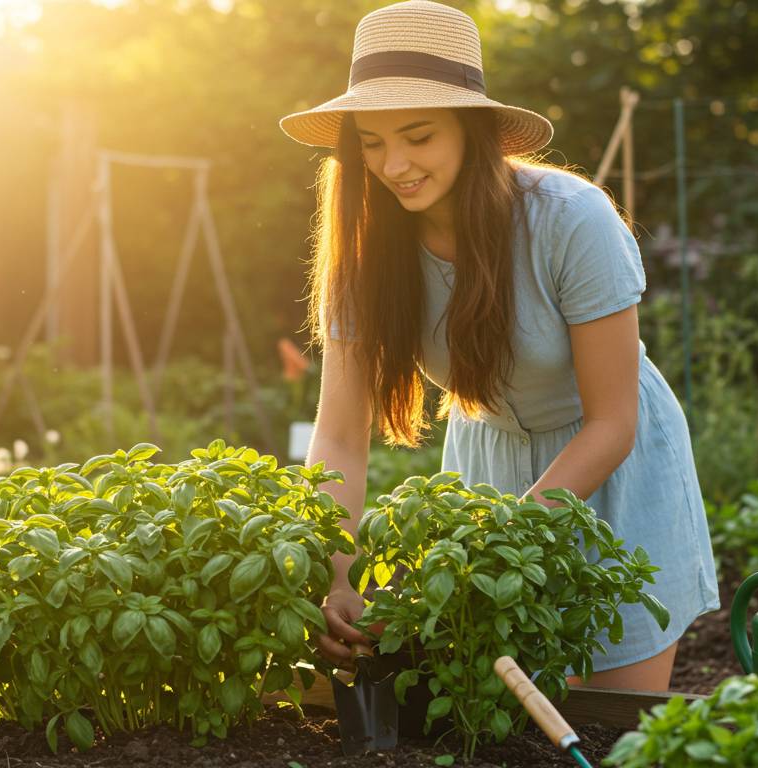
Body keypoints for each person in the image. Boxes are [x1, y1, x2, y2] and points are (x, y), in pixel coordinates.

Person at [278, 0, 718, 692]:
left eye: (418, 136)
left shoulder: (571, 220)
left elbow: (614, 421)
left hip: (607, 466)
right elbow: (338, 435)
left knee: (609, 723)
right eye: (372, 142)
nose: (394, 165)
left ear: (472, 128)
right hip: (488, 460)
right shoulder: (366, 249)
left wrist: (492, 549)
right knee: (501, 717)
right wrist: (335, 570)